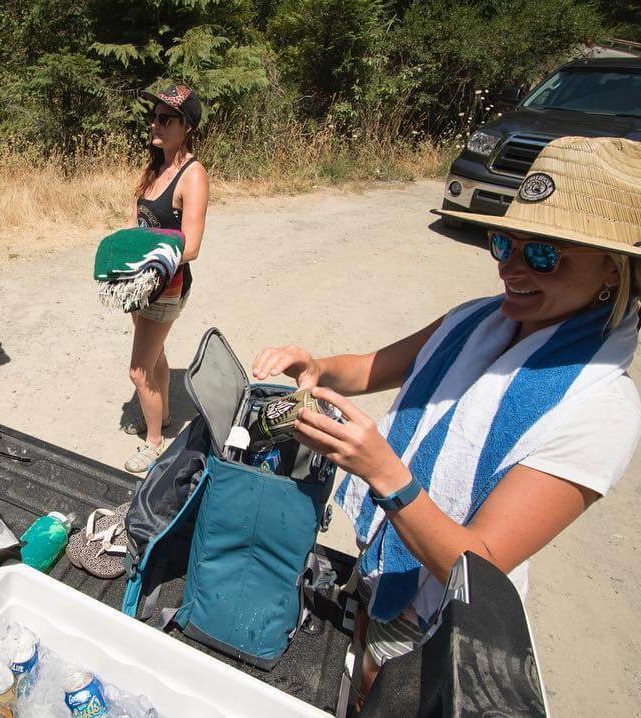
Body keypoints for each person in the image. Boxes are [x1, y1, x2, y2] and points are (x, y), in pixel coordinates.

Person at [251, 136, 641, 703]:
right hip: (385, 560)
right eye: (503, 241)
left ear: (614, 268)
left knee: (375, 692)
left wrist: (385, 474)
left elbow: (477, 568)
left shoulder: (600, 409)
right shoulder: (476, 319)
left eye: (543, 254)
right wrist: (318, 365)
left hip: (435, 615)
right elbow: (371, 367)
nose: (510, 265)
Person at [122, 84, 209, 473]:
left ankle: (154, 443)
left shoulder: (193, 175)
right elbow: (135, 222)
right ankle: (167, 414)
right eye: (154, 116)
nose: (155, 124)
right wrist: (122, 253)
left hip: (168, 284)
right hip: (140, 280)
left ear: (186, 126)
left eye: (166, 119)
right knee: (154, 355)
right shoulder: (154, 167)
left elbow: (190, 247)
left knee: (138, 370)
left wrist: (146, 248)